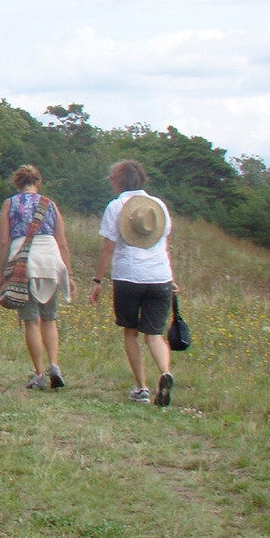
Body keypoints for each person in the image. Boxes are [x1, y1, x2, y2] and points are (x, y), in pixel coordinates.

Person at [89, 159, 177, 406]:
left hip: (129, 276)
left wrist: (97, 280)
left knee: (131, 332)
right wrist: (173, 279)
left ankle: (142, 388)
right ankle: (165, 372)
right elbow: (164, 244)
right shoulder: (158, 206)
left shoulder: (117, 207)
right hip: (160, 276)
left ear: (118, 181)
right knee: (154, 335)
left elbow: (108, 249)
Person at [0, 165, 75, 391]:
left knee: (31, 320)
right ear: (38, 182)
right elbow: (62, 242)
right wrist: (68, 273)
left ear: (17, 183)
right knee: (49, 318)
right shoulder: (50, 204)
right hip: (50, 261)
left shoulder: (10, 204)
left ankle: (39, 373)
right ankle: (54, 365)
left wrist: (1, 273)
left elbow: (4, 241)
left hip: (24, 262)